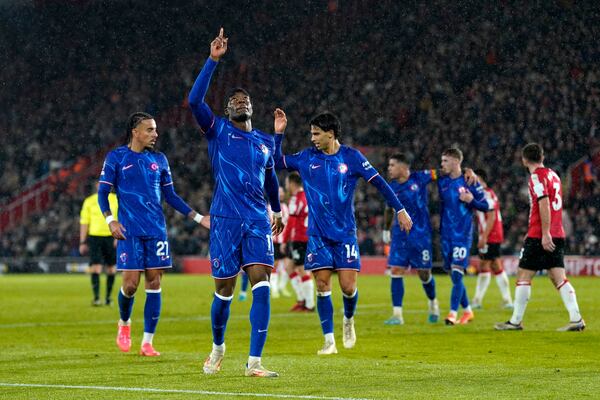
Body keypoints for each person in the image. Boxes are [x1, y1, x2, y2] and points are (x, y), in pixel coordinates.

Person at [274, 111, 412, 355]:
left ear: (331, 133)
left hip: (345, 233)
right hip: (317, 235)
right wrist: (278, 133)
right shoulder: (306, 158)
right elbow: (274, 162)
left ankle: (348, 320)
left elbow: (380, 183)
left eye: (316, 133)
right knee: (323, 285)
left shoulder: (352, 157)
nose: (312, 138)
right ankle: (329, 341)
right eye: (311, 133)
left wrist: (400, 209)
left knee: (348, 287)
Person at [188, 28, 284, 377]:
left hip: (258, 219)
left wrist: (277, 209)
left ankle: (254, 362)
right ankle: (218, 348)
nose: (240, 103)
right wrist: (213, 61)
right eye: (234, 101)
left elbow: (271, 179)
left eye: (245, 101)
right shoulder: (216, 131)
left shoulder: (264, 143)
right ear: (227, 110)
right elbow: (195, 102)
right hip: (225, 219)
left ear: (252, 108)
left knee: (261, 283)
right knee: (224, 292)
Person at [98, 112, 209, 357]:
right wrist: (110, 219)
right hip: (129, 231)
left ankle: (147, 342)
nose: (155, 134)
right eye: (150, 130)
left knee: (154, 282)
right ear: (135, 132)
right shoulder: (116, 157)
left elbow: (171, 197)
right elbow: (102, 194)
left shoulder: (160, 160)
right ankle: (124, 324)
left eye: (155, 129)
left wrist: (199, 218)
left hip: (156, 230)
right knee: (129, 285)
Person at [495, 144, 585, 331]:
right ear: (542, 156)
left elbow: (544, 203)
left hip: (539, 234)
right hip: (558, 233)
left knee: (523, 275)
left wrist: (545, 233)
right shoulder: (554, 175)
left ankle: (515, 321)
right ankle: (576, 319)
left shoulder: (536, 177)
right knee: (558, 277)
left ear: (524, 160)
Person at [381, 154, 439, 325]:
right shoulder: (390, 187)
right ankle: (397, 315)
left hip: (420, 236)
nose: (389, 168)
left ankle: (433, 303)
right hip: (399, 236)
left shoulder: (420, 178)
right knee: (396, 270)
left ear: (403, 167)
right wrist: (386, 229)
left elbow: (442, 172)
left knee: (424, 273)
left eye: (392, 165)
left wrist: (465, 172)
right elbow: (387, 209)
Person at [438, 148, 490, 325]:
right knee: (453, 275)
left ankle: (452, 313)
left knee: (458, 273)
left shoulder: (470, 181)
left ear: (455, 162)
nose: (442, 164)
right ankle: (468, 311)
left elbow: (486, 205)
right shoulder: (442, 181)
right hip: (445, 234)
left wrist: (471, 200)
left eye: (445, 161)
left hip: (463, 234)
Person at [471, 169, 513, 309]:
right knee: (494, 265)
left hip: (491, 234)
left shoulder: (486, 193)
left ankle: (478, 300)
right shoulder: (480, 193)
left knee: (485, 264)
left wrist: (484, 237)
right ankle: (506, 300)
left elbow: (492, 217)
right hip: (492, 234)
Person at [80, 181, 118, 306]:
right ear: (96, 186)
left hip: (111, 237)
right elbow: (84, 222)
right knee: (95, 267)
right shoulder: (89, 201)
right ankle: (96, 298)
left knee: (111, 268)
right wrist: (82, 241)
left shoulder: (116, 199)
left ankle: (108, 298)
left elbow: (122, 218)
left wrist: (119, 237)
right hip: (95, 237)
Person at [282, 172, 314, 312]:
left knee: (302, 270)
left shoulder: (296, 199)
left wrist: (284, 240)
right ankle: (302, 299)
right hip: (306, 237)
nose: (286, 185)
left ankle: (310, 304)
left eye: (287, 183)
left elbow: (291, 222)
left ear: (292, 183)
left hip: (300, 238)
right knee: (289, 266)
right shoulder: (308, 196)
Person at [270, 187, 291, 299]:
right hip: (274, 240)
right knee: (276, 265)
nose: (282, 194)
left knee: (287, 266)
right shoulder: (269, 207)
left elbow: (288, 224)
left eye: (282, 192)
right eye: (279, 192)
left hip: (285, 241)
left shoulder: (286, 207)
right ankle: (274, 289)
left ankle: (281, 287)